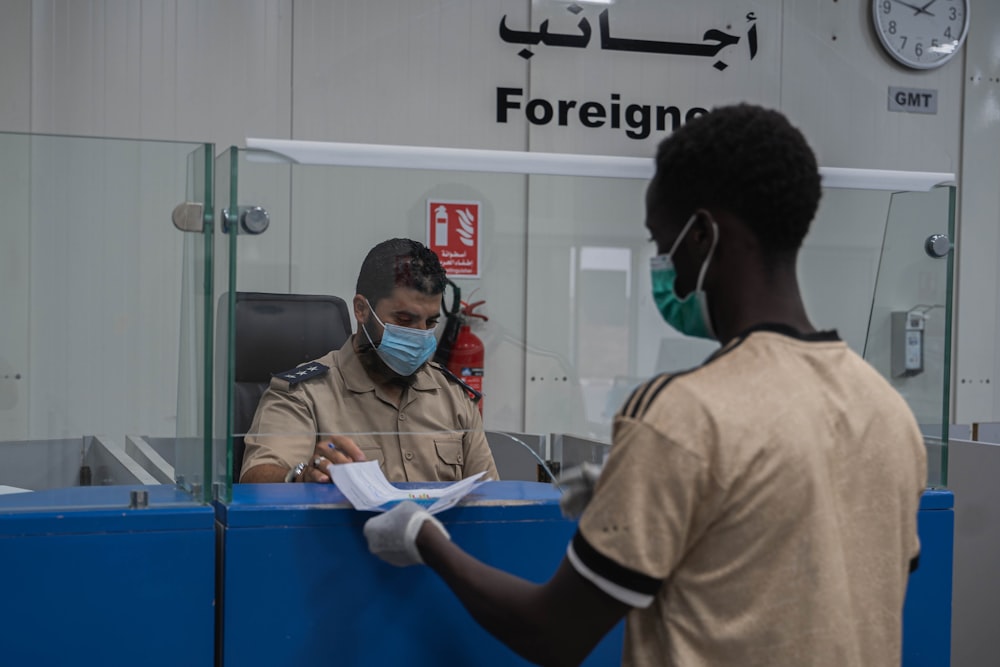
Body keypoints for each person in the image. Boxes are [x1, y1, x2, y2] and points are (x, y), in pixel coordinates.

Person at [362, 104, 927, 666]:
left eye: (662, 245)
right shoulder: (886, 410)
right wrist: (652, 484)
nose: (663, 266)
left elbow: (552, 633)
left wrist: (425, 539)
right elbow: (807, 568)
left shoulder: (684, 414)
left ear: (702, 235)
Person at [240, 238, 498, 484]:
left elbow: (492, 500)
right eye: (405, 321)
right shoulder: (304, 394)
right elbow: (257, 480)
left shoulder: (454, 398)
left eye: (430, 323)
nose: (420, 334)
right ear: (362, 309)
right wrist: (301, 477)